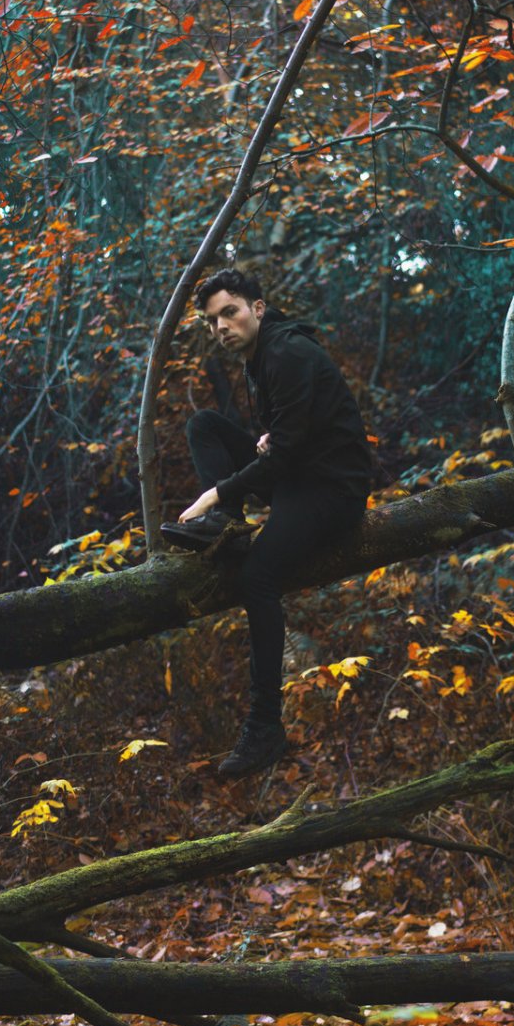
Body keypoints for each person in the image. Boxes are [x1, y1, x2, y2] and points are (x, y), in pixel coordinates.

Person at [160, 269, 372, 777]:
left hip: (332, 492)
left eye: (229, 312)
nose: (221, 327)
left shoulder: (286, 353)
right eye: (212, 322)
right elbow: (290, 438)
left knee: (257, 579)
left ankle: (265, 729)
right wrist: (270, 440)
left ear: (258, 307)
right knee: (204, 425)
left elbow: (291, 452)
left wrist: (216, 493)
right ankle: (228, 527)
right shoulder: (261, 358)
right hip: (301, 476)